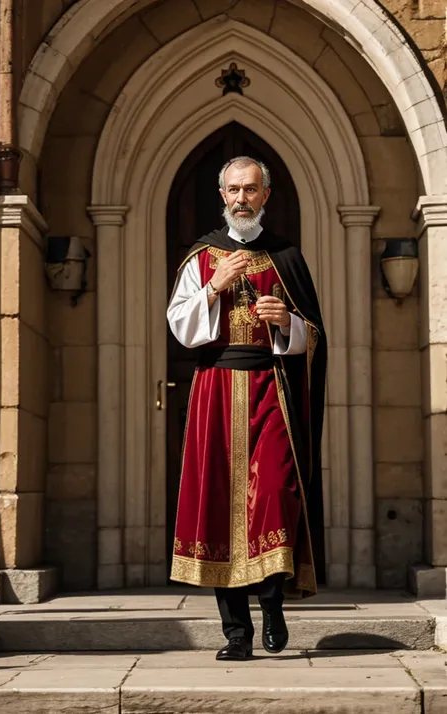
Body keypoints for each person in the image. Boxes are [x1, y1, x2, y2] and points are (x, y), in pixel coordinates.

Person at [167, 156, 327, 661]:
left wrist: (287, 323)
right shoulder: (201, 257)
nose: (241, 198)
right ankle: (236, 633)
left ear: (266, 195)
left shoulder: (287, 257)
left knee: (277, 493)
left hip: (271, 388)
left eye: (251, 190)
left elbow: (314, 337)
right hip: (215, 387)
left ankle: (273, 602)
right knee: (218, 504)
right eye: (233, 189)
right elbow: (180, 326)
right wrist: (214, 286)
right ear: (222, 195)